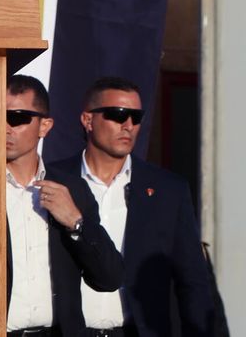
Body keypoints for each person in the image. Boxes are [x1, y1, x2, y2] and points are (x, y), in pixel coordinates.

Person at [52, 76, 215, 336]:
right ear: (87, 120)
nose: (128, 125)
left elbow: (193, 281)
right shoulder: (53, 180)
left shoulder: (168, 190)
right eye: (117, 114)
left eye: (135, 117)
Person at [5, 75, 122, 336]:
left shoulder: (72, 189)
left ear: (44, 126)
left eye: (18, 118)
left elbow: (109, 277)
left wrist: (76, 223)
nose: (5, 127)